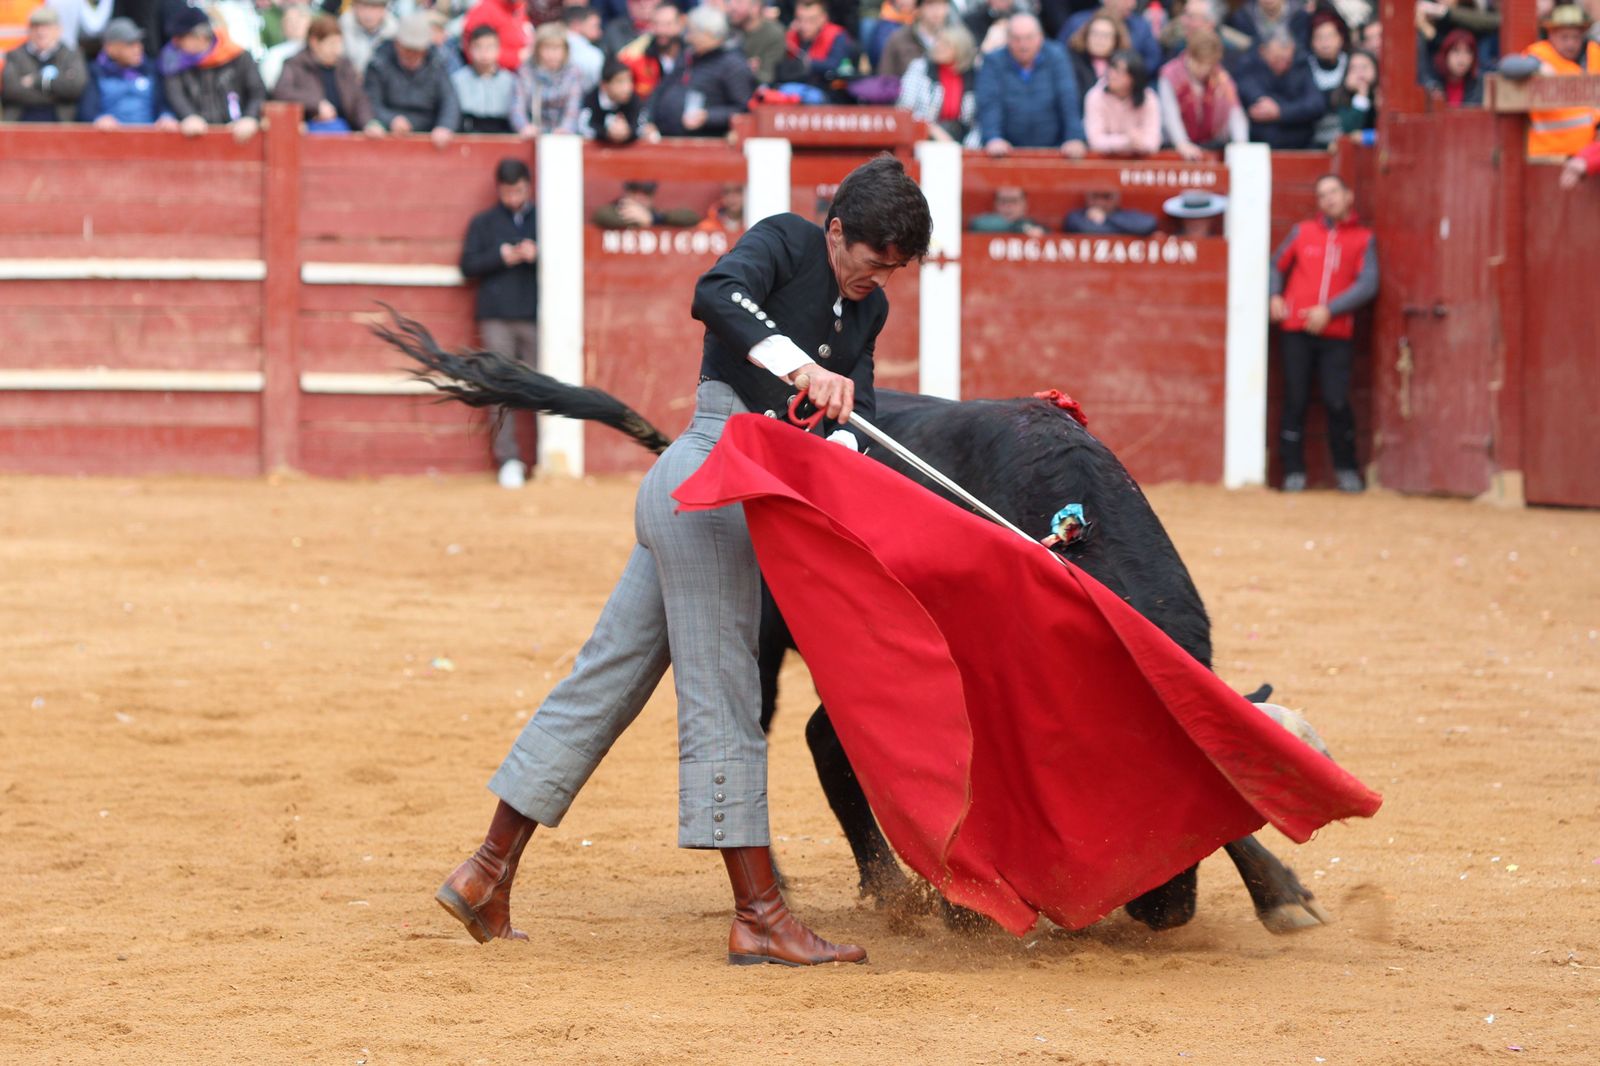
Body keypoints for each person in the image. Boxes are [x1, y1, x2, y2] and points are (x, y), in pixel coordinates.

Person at [434, 156, 933, 968]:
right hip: (709, 484)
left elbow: (858, 416)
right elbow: (715, 293)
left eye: (894, 270)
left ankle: (486, 870)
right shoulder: (787, 241)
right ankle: (760, 914)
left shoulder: (865, 313)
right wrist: (800, 367)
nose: (879, 279)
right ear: (838, 231)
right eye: (872, 260)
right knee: (727, 696)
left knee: (604, 681)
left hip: (732, 498)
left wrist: (842, 430)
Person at [1269, 173, 1377, 494]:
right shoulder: (1302, 231)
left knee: (1336, 400)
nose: (1328, 199)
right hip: (1296, 328)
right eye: (1321, 195)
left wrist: (1329, 310)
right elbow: (1275, 265)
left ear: (1348, 196)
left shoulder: (1364, 238)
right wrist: (1274, 295)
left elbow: (1368, 284)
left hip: (1335, 332)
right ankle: (1293, 472)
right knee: (1295, 398)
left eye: (1333, 192)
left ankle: (1346, 469)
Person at [459, 158, 540, 490]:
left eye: (518, 191)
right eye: (507, 192)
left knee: (544, 388)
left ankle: (546, 457)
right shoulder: (484, 222)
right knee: (499, 389)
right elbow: (467, 266)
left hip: (536, 316)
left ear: (528, 187)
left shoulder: (544, 219)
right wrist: (500, 257)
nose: (513, 198)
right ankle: (508, 460)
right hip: (497, 316)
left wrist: (540, 255)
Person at [976, 13, 1086, 157]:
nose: (1023, 45)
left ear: (1040, 37)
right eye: (1016, 39)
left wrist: (1074, 137)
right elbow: (990, 103)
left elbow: (1068, 98)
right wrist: (993, 138)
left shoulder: (1057, 56)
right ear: (1007, 39)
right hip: (1007, 150)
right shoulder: (993, 61)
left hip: (1055, 148)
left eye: (1029, 38)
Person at [1499, 5, 1599, 158]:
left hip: (1587, 155)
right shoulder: (1541, 54)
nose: (1571, 44)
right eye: (1564, 37)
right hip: (1547, 155)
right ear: (1551, 35)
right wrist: (1537, 66)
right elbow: (1507, 66)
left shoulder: (1594, 53)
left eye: (1576, 37)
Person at [642, 4, 754, 138]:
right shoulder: (688, 56)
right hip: (665, 137)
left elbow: (744, 109)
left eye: (692, 32)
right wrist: (649, 120)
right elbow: (661, 89)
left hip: (706, 142)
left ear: (708, 34)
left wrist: (708, 116)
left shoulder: (733, 64)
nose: (687, 38)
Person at [160, 7, 265, 141]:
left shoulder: (238, 57)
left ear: (200, 37)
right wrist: (188, 116)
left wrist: (250, 117)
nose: (177, 43)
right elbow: (175, 94)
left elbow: (257, 91)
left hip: (238, 137)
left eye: (182, 37)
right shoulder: (174, 62)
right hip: (195, 138)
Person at [273, 12, 379, 133]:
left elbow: (359, 99)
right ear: (314, 43)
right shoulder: (295, 64)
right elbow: (281, 92)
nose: (337, 50)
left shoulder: (345, 66)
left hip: (345, 129)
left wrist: (369, 123)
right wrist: (316, 105)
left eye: (339, 43)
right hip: (309, 129)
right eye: (331, 44)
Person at [364, 13, 459, 146]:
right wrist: (390, 119)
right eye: (408, 49)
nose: (412, 55)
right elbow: (370, 101)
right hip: (388, 132)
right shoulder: (379, 62)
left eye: (417, 50)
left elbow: (449, 99)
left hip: (429, 132)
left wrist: (444, 126)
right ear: (397, 44)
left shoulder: (436, 63)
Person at [1157, 26, 1247, 159]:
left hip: (1209, 143)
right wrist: (1182, 143)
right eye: (1199, 63)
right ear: (1189, 55)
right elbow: (1169, 114)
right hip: (1175, 145)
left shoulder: (1221, 77)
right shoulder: (1170, 74)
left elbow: (1235, 112)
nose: (1204, 70)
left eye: (1209, 65)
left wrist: (1241, 145)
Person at [1234, 27, 1324, 149]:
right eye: (1277, 59)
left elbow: (1316, 104)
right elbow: (1249, 92)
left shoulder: (1301, 65)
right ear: (1263, 51)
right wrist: (1262, 100)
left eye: (1287, 60)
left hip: (1300, 144)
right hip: (1260, 145)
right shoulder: (1247, 65)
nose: (1282, 64)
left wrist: (1281, 111)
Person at [75, 14, 173, 126]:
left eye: (138, 42)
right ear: (110, 47)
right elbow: (87, 111)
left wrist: (166, 117)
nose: (138, 48)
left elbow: (163, 104)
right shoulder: (96, 72)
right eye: (130, 44)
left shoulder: (151, 70)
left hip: (149, 134)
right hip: (110, 135)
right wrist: (98, 119)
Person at [893, 21, 977, 143]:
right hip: (924, 139)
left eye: (946, 44)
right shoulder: (919, 68)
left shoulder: (974, 75)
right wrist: (932, 130)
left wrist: (967, 147)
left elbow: (978, 121)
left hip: (963, 142)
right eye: (938, 40)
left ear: (961, 49)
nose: (938, 46)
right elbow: (904, 109)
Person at [2, 7, 86, 122]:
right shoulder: (15, 55)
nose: (41, 32)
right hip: (21, 122)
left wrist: (36, 81)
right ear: (29, 30)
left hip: (60, 123)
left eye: (47, 27)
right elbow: (11, 91)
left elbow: (74, 89)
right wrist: (57, 92)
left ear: (58, 30)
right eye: (36, 27)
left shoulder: (71, 55)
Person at [511, 20, 583, 135]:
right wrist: (524, 127)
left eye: (557, 48)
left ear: (565, 50)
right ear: (537, 50)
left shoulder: (573, 73)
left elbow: (573, 110)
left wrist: (565, 129)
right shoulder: (525, 71)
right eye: (547, 48)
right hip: (531, 135)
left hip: (562, 136)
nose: (552, 54)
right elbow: (517, 108)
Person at [1083, 47, 1159, 154]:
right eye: (1111, 69)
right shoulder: (1095, 96)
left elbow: (1153, 142)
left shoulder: (1149, 98)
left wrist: (1138, 143)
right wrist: (1127, 142)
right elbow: (1095, 141)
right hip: (1105, 160)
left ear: (1134, 77)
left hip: (1139, 161)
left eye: (1120, 72)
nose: (1112, 75)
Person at [1058, 0, 1162, 74]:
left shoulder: (1141, 26)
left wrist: (1129, 75)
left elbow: (1154, 59)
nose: (1133, 5)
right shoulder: (1077, 23)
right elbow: (1060, 57)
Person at [451, 24, 515, 133]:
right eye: (478, 47)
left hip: (501, 132)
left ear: (498, 49)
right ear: (469, 49)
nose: (484, 53)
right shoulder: (457, 80)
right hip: (467, 131)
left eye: (490, 47)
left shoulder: (510, 81)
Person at [1304, 8, 1348, 148]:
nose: (1325, 43)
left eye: (1330, 36)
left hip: (1345, 135)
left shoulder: (1352, 64)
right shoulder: (1303, 67)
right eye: (1319, 37)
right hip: (1311, 137)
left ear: (1340, 38)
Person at [1065, 10, 1128, 107]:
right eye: (1095, 34)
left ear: (1116, 40)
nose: (1099, 40)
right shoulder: (1071, 60)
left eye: (1105, 36)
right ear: (1086, 36)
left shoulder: (1123, 63)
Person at [577, 55, 644, 141]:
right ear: (604, 86)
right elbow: (583, 127)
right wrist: (606, 132)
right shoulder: (591, 99)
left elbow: (641, 125)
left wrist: (628, 131)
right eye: (620, 82)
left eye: (629, 81)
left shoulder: (634, 98)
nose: (627, 88)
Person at [877, 0, 949, 79]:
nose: (937, 10)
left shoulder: (952, 40)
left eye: (941, 4)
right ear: (918, 8)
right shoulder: (899, 39)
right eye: (930, 4)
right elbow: (885, 79)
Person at [590, 178, 701, 227]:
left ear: (652, 196)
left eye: (645, 193)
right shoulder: (613, 210)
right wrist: (640, 221)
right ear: (627, 193)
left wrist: (653, 219)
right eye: (635, 191)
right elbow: (601, 215)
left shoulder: (656, 213)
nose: (639, 197)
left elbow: (691, 217)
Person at [461, 0, 528, 72]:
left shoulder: (518, 6)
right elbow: (476, 51)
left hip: (522, 67)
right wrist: (516, 57)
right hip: (492, 73)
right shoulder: (484, 11)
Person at [726, 0, 783, 84]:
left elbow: (768, 77)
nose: (732, 7)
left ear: (755, 7)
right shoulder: (727, 26)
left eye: (739, 2)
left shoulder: (773, 34)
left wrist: (745, 70)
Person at [258, 3, 310, 92]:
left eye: (299, 19)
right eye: (289, 21)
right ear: (283, 26)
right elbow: (270, 85)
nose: (294, 25)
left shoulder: (317, 51)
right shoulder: (274, 54)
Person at [1064, 187, 1158, 234]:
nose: (1100, 202)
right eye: (1095, 196)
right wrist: (1127, 230)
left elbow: (1148, 224)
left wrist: (1105, 218)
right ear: (1087, 197)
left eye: (1106, 197)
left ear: (1117, 199)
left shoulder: (1126, 215)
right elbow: (1087, 229)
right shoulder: (1076, 217)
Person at [339, 0, 395, 77]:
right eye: (363, 7)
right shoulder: (341, 27)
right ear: (354, 7)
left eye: (374, 8)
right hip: (349, 79)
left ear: (384, 9)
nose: (368, 14)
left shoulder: (394, 31)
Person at [1330, 45, 1377, 136]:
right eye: (1353, 68)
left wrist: (1367, 137)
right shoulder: (1342, 95)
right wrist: (1361, 95)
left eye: (1364, 67)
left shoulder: (1382, 93)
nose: (1359, 73)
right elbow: (1349, 129)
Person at [1427, 29, 1480, 108]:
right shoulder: (1433, 83)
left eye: (1468, 52)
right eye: (1456, 51)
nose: (1462, 58)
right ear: (1446, 54)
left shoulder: (1478, 86)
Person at [969, 184, 1048, 236]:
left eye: (1014, 201)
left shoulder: (1036, 226)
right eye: (1003, 201)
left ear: (1024, 203)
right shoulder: (982, 225)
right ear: (995, 204)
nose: (1008, 206)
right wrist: (1021, 229)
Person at [561, 4, 603, 90]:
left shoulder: (549, 44)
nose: (600, 32)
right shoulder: (593, 55)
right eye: (595, 25)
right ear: (576, 25)